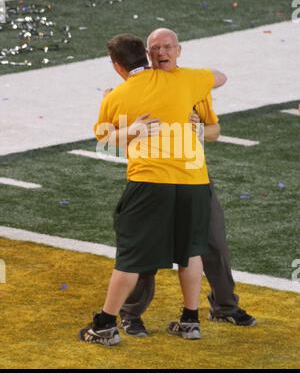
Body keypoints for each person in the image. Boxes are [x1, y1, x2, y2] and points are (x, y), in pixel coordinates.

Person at [79, 33, 227, 346]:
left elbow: (104, 139)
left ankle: (106, 324)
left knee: (131, 258)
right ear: (147, 57)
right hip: (194, 180)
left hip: (150, 181)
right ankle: (190, 321)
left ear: (118, 66)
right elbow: (220, 77)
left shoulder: (117, 96)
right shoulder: (187, 80)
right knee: (191, 253)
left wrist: (130, 130)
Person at [119, 28, 256, 338]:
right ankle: (131, 313)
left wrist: (198, 130)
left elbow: (214, 130)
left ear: (179, 50)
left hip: (195, 179)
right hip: (154, 182)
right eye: (155, 48)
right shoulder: (140, 86)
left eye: (168, 46)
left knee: (215, 243)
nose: (162, 52)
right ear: (148, 55)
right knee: (146, 250)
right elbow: (118, 128)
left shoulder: (193, 83)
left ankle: (225, 306)